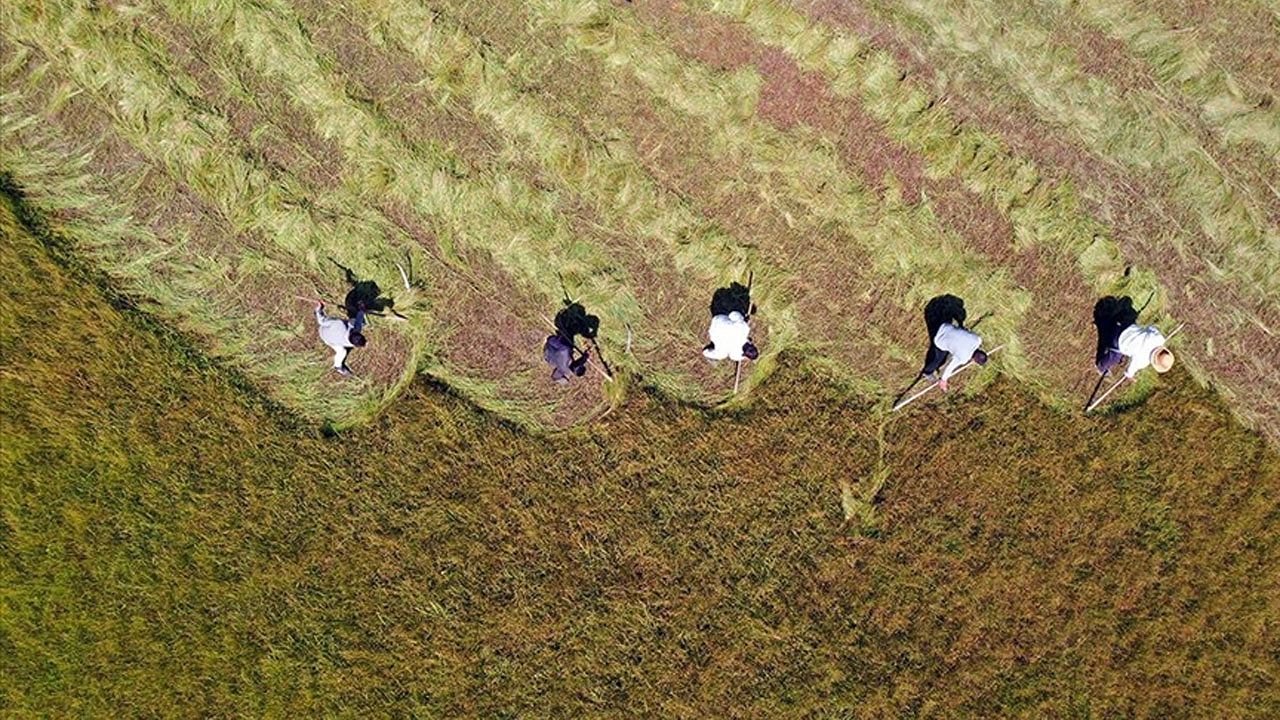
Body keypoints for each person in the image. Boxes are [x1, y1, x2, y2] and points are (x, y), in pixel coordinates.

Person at [1093, 296, 1174, 379]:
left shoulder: (1159, 338)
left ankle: (1109, 319)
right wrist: (1129, 375)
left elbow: (1151, 328)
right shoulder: (1143, 361)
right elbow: (1130, 370)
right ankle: (1101, 367)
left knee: (1130, 317)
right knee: (1115, 357)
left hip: (1124, 325)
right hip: (1117, 341)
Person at [919, 294, 986, 391]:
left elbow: (966, 332)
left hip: (945, 325)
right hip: (939, 337)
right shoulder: (963, 358)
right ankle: (927, 372)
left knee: (951, 348)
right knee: (938, 358)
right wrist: (943, 380)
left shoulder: (978, 339)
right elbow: (950, 367)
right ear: (974, 360)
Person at [315, 301, 366, 376]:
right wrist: (361, 311)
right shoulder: (340, 326)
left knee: (343, 351)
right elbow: (358, 323)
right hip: (327, 336)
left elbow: (321, 321)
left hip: (326, 334)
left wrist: (320, 308)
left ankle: (338, 367)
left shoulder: (339, 324)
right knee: (342, 351)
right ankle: (338, 366)